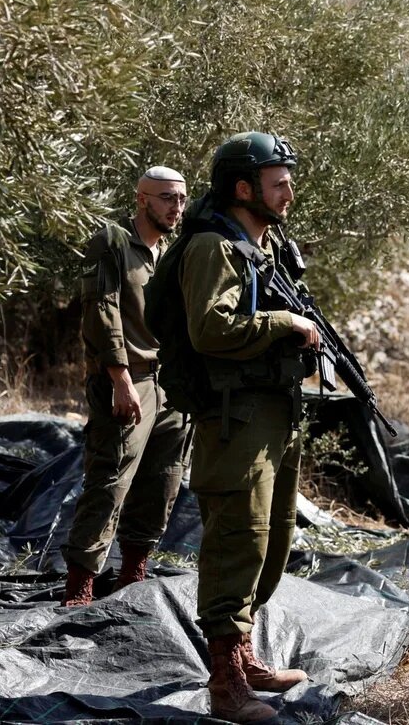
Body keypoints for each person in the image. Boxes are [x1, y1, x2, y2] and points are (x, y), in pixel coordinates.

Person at [146, 132, 317, 723]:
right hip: (233, 418)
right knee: (237, 540)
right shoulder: (212, 248)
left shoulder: (261, 247)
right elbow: (209, 330)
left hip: (273, 412)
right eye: (278, 181)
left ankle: (245, 655)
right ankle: (225, 684)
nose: (289, 191)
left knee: (273, 539)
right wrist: (282, 321)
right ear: (244, 189)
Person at [62, 166, 191, 607]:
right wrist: (119, 378)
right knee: (110, 479)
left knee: (164, 480)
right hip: (128, 380)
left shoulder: (170, 253)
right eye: (167, 198)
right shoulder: (113, 242)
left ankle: (132, 574)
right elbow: (101, 311)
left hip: (168, 383)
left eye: (181, 198)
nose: (177, 207)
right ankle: (80, 585)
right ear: (142, 199)